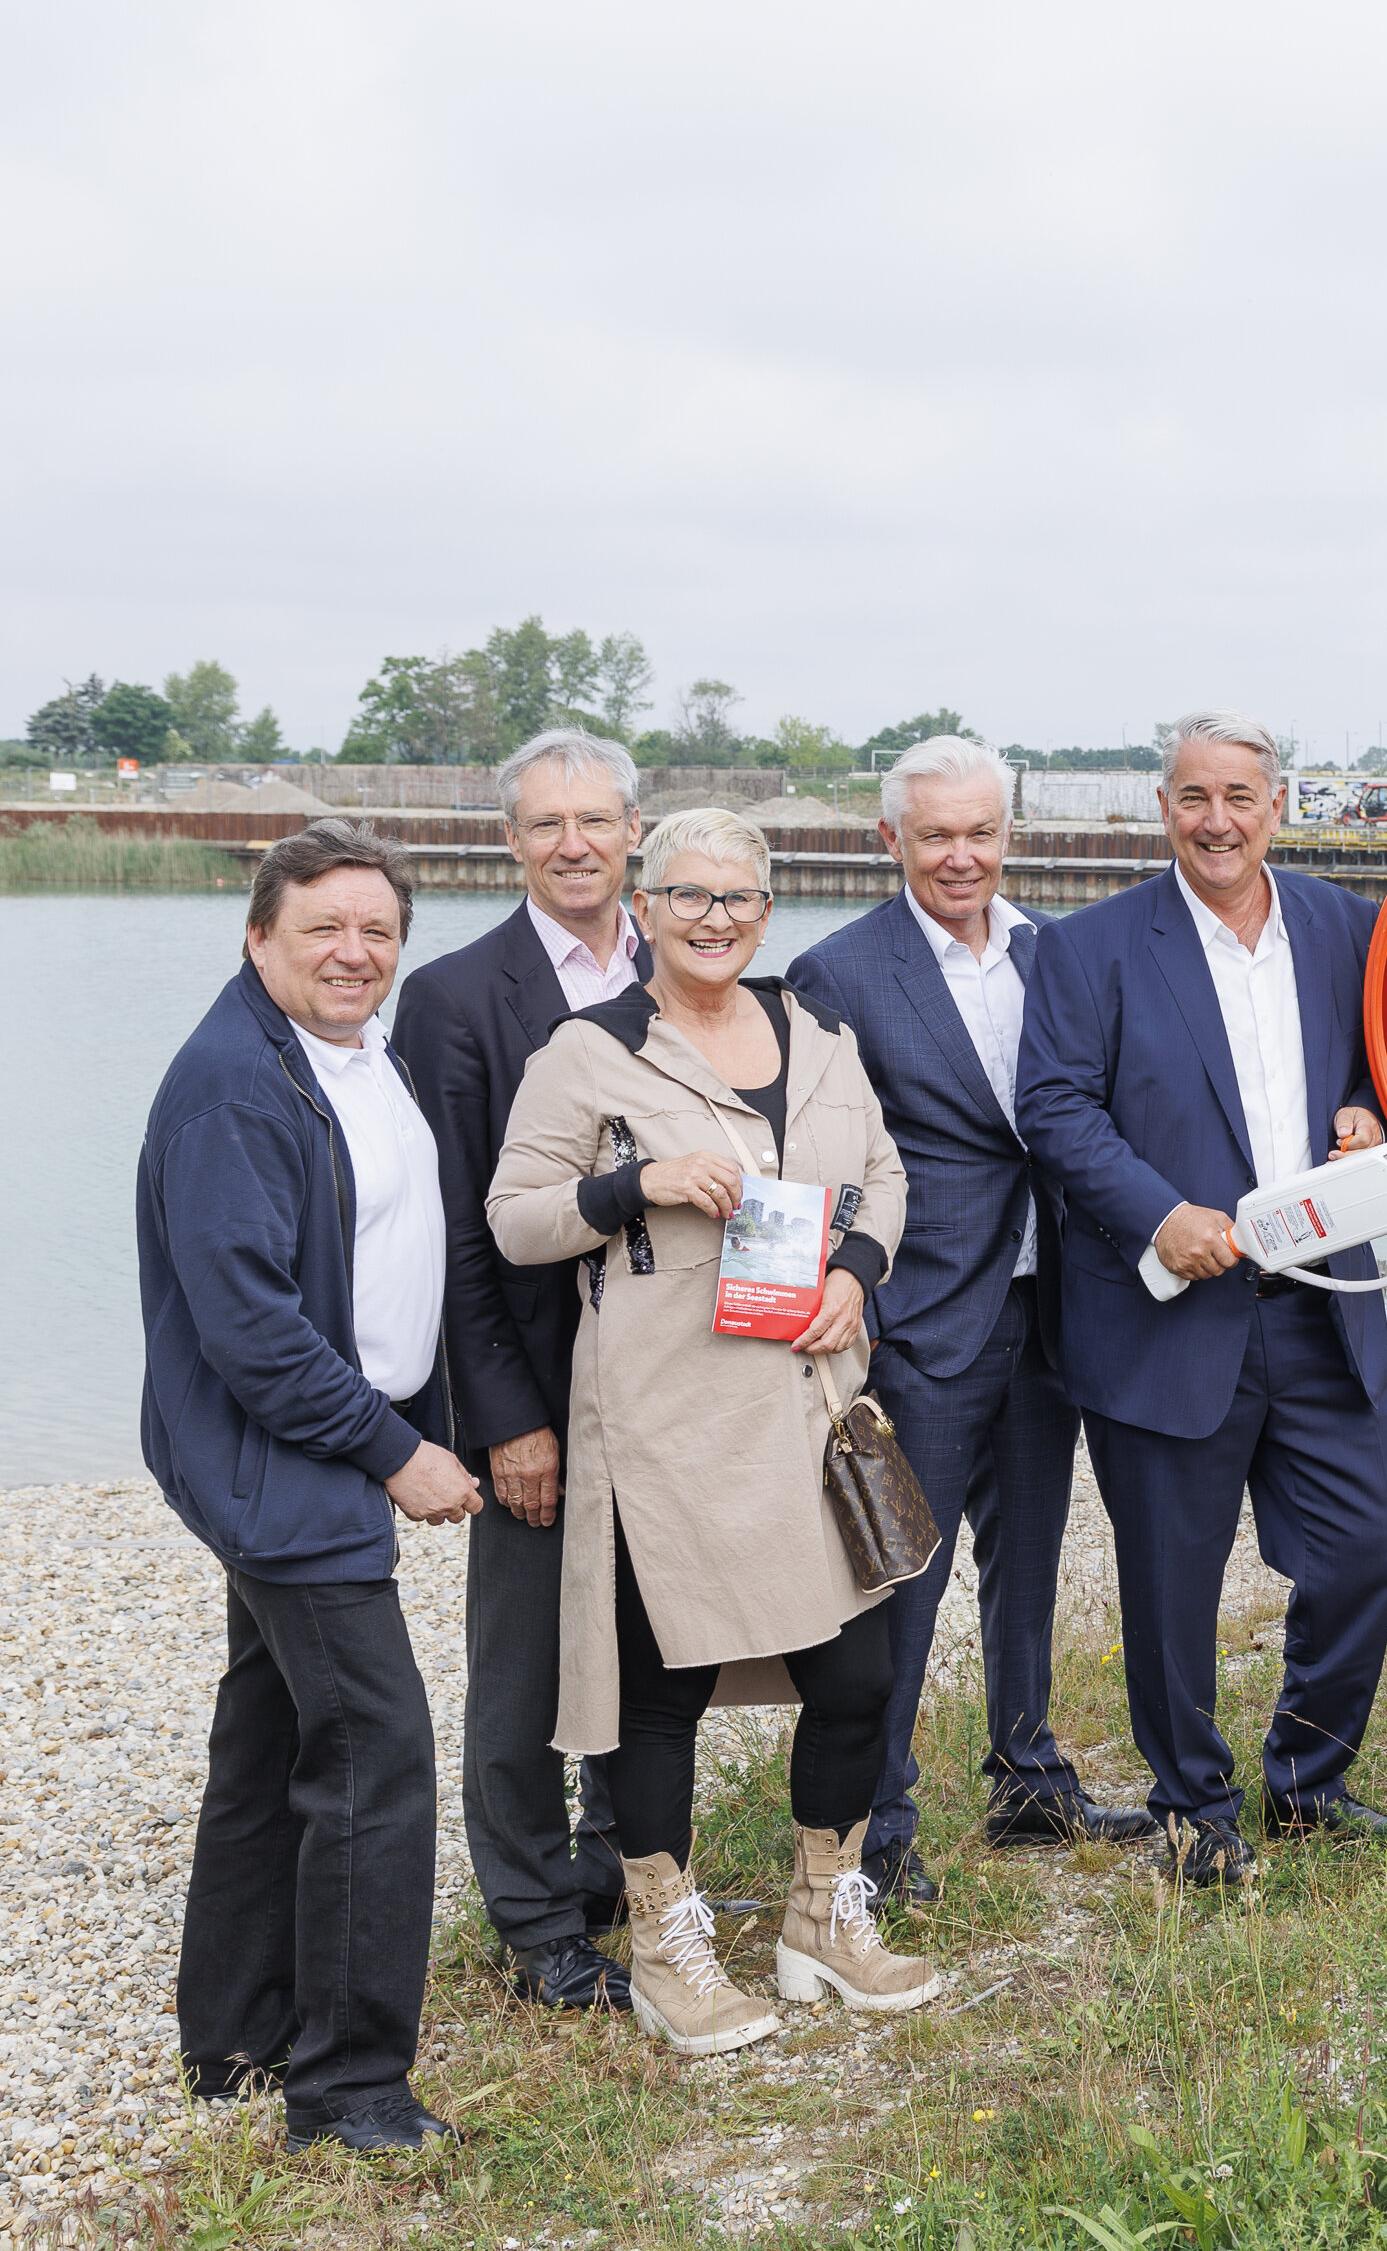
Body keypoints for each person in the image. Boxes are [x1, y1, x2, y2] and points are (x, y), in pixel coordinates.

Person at [486, 806, 942, 2053]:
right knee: (663, 1688)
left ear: (766, 909)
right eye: (688, 896)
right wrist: (637, 1183)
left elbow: (888, 1177)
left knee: (857, 1674)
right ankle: (667, 1944)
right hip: (666, 1418)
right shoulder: (587, 1053)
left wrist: (857, 1265)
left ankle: (821, 1919)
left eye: (737, 898)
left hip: (812, 1406)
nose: (714, 918)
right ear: (645, 902)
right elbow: (516, 1217)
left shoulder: (821, 1035)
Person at [1014, 711, 1387, 1887]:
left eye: (1239, 796)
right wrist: (1158, 1213)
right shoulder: (1088, 950)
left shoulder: (1352, 926)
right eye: (1194, 797)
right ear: (1163, 809)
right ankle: (1196, 1806)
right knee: (1171, 1588)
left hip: (1319, 1303)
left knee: (1368, 1548)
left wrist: (1366, 1110)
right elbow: (1056, 1109)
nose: (1217, 820)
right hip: (1167, 1314)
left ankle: (1307, 1779)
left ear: (1277, 806)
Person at [136, 819, 482, 2153]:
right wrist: (398, 1453)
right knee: (376, 1757)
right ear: (257, 935)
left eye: (378, 931)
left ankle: (234, 2037)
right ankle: (347, 2092)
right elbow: (255, 1330)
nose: (355, 951)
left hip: (318, 1442)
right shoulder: (235, 1085)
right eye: (323, 927)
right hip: (286, 1457)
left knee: (270, 1740)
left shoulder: (345, 1054)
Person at [786, 735, 1153, 1905]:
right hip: (922, 1315)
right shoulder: (836, 972)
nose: (961, 855)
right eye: (936, 833)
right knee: (902, 1573)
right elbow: (813, 1162)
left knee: (1030, 1555)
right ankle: (878, 1823)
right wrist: (852, 1302)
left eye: (981, 832)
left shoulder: (1059, 952)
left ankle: (1029, 1776)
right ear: (889, 838)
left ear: (1011, 834)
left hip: (1058, 1304)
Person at [391, 729, 649, 2011]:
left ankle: (620, 1865)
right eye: (546, 824)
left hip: (671, 1384)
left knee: (649, 1643)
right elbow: (448, 1226)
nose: (574, 844)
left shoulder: (688, 961)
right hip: (534, 1386)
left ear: (633, 832)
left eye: (595, 819)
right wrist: (503, 1419)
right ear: (511, 843)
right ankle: (539, 1919)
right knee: (525, 1662)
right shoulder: (450, 997)